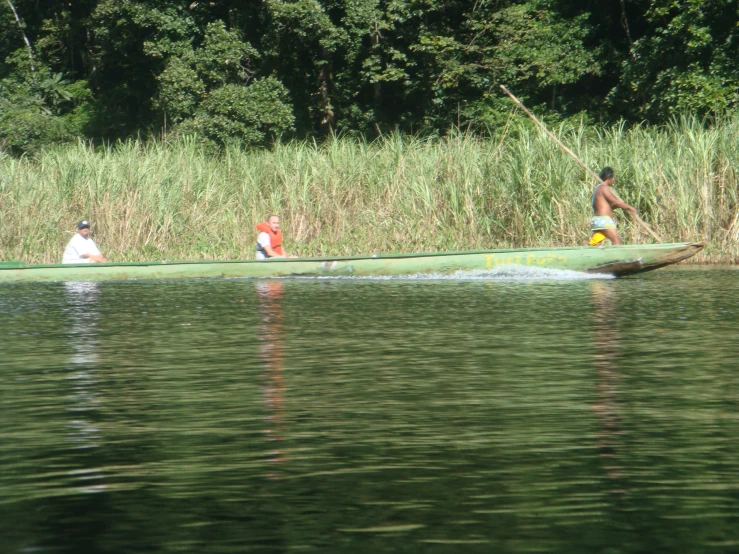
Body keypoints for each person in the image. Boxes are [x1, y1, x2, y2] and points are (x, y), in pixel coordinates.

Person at [589, 167, 639, 246]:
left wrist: (621, 205)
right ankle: (616, 258)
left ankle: (593, 256)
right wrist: (630, 207)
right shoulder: (604, 187)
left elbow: (611, 205)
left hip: (596, 220)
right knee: (617, 240)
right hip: (603, 220)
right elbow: (614, 202)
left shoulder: (598, 188)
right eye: (613, 178)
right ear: (608, 178)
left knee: (597, 243)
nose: (613, 180)